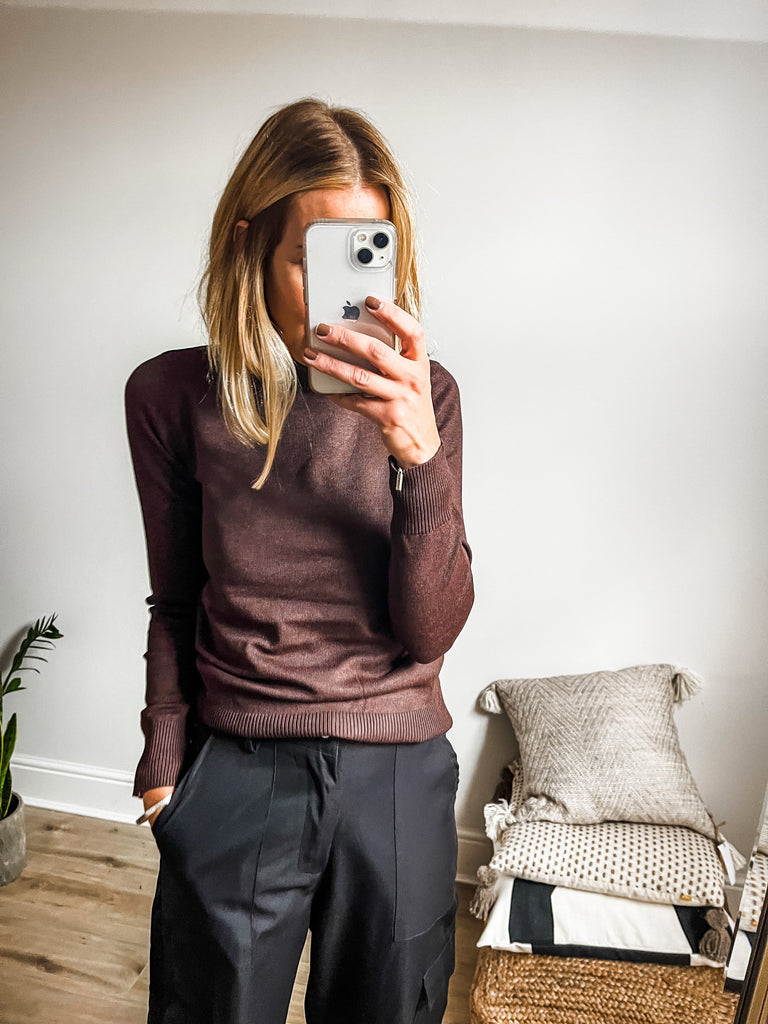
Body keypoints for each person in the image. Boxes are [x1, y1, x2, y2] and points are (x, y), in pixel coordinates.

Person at [125, 97, 474, 1024]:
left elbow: (431, 629)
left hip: (395, 771)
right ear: (250, 247)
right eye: (312, 259)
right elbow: (175, 596)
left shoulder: (428, 396)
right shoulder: (170, 395)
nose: (343, 295)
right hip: (239, 764)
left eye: (365, 254)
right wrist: (165, 760)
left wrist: (418, 458)